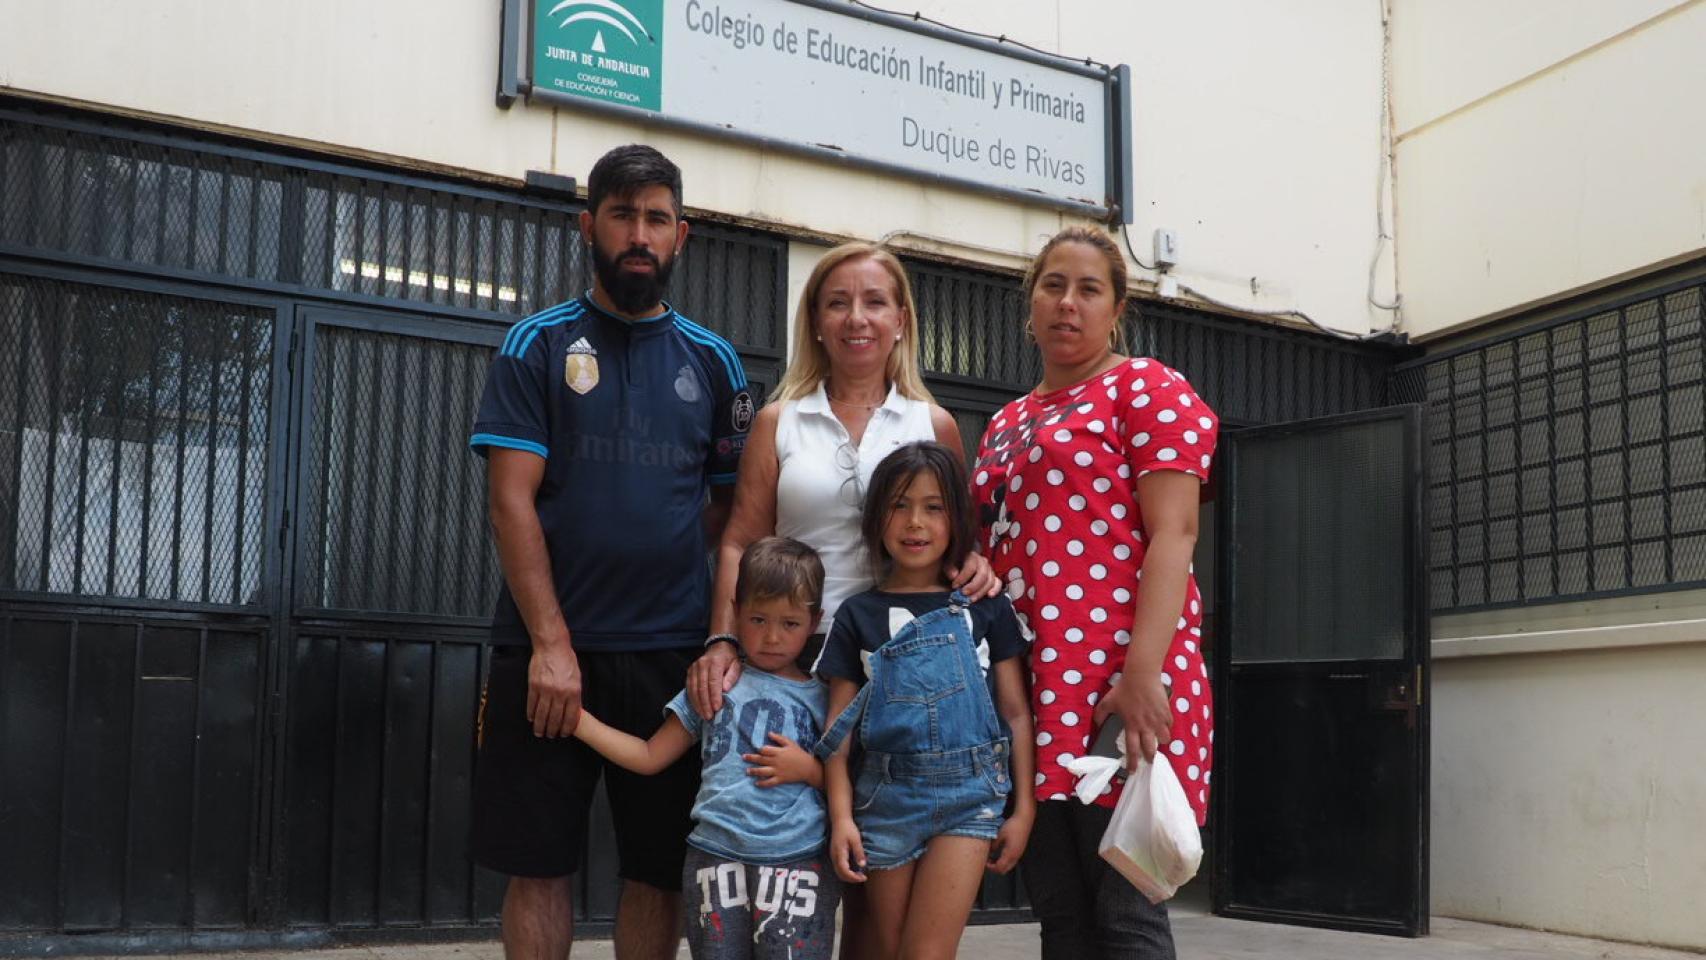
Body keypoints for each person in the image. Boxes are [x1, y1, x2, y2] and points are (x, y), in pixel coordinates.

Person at [467, 144, 751, 960]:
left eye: (656, 219)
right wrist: (552, 646)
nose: (639, 234)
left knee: (658, 873)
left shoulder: (718, 363)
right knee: (539, 868)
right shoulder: (536, 345)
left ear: (681, 235)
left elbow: (731, 511)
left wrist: (676, 576)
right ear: (589, 225)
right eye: (622, 215)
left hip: (670, 656)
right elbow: (509, 502)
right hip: (548, 654)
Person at [685, 243, 999, 958]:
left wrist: (975, 562)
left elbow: (955, 537)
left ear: (901, 320)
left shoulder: (934, 424)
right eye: (838, 302)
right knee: (798, 871)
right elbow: (738, 540)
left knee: (873, 888)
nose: (857, 317)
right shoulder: (779, 420)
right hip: (796, 673)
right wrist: (723, 639)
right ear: (817, 322)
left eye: (874, 301)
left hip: (902, 681)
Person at [971, 226, 1219, 959]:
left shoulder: (1145, 387)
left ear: (1117, 308)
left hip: (1125, 687)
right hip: (1035, 696)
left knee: (1126, 915)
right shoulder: (1006, 423)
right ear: (1030, 306)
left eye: (1088, 289)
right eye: (1053, 286)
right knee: (1064, 921)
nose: (1067, 304)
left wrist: (1144, 673)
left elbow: (1173, 534)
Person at [814, 441, 1036, 960]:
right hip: (883, 804)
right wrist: (843, 819)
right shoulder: (856, 615)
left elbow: (1016, 714)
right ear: (876, 519)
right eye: (899, 505)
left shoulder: (986, 606)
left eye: (933, 507)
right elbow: (836, 735)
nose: (915, 522)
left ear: (956, 518)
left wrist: (1023, 809)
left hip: (970, 799)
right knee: (891, 950)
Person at [571, 537, 840, 960]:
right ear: (734, 611)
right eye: (757, 619)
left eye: (789, 623)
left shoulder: (824, 697)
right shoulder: (714, 685)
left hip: (797, 858)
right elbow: (648, 755)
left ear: (815, 620)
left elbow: (848, 781)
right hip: (713, 857)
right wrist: (580, 722)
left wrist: (808, 770)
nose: (771, 637)